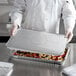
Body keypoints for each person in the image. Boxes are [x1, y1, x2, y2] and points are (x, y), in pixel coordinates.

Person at [9, 0, 76, 42]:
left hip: (49, 37)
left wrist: (69, 28)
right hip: (27, 35)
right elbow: (18, 9)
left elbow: (69, 14)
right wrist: (16, 23)